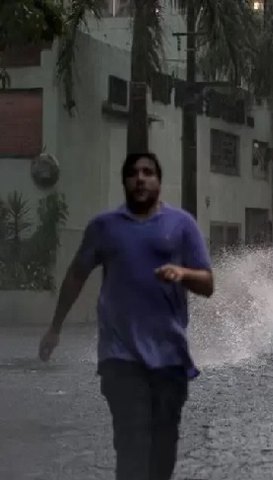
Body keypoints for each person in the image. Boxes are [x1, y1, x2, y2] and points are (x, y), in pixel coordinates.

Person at [38, 153, 214, 480]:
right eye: (133, 173)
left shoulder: (182, 225)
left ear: (159, 181)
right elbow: (76, 275)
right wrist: (55, 327)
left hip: (169, 360)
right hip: (120, 358)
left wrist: (182, 272)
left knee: (162, 454)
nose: (141, 178)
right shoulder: (104, 228)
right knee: (132, 446)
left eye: (148, 172)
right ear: (125, 182)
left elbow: (208, 284)